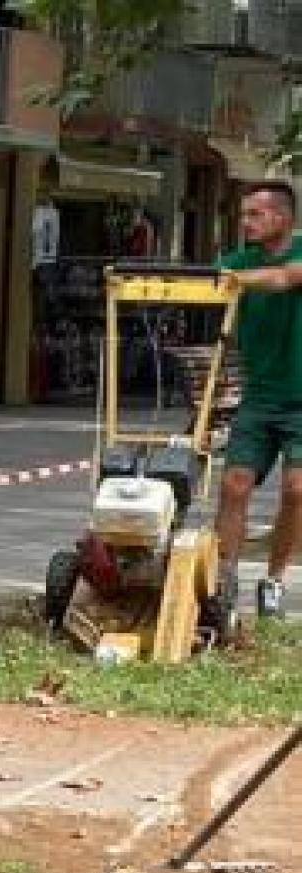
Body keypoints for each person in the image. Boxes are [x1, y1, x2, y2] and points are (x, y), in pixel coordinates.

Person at [215, 180, 302, 618]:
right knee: (234, 486)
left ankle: (273, 580)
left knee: (297, 490)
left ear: (283, 219)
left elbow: (285, 279)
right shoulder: (237, 261)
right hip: (259, 398)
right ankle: (224, 581)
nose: (245, 222)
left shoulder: (297, 255)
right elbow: (213, 285)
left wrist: (235, 280)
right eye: (243, 214)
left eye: (255, 214)